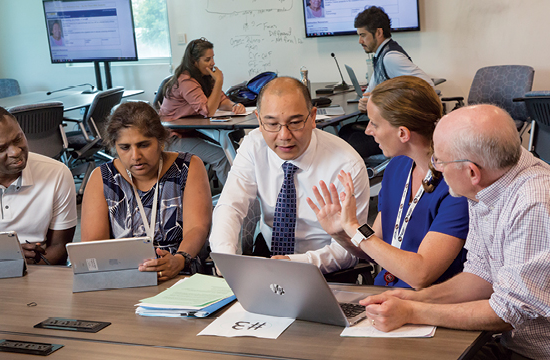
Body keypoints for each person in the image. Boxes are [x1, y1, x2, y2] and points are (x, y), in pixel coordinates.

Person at [358, 104, 550, 360]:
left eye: (438, 160)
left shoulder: (533, 201)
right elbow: (481, 276)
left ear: (471, 171)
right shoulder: (488, 179)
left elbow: (508, 312)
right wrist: (419, 298)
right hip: (512, 345)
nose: (435, 168)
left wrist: (413, 312)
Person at [308, 76, 468, 288]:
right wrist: (340, 232)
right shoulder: (396, 168)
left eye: (374, 123)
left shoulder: (456, 186)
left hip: (429, 305)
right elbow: (377, 249)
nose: (368, 131)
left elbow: (421, 275)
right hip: (386, 296)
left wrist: (355, 227)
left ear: (402, 133)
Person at [210, 77, 370, 273]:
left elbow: (351, 250)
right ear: (259, 120)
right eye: (272, 124)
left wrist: (296, 263)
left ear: (312, 117)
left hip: (323, 266)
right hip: (269, 255)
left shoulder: (346, 165)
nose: (284, 135)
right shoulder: (254, 145)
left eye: (294, 123)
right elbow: (230, 205)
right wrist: (225, 257)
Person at [81, 101, 212, 281]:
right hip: (123, 276)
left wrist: (180, 259)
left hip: (180, 273)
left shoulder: (188, 167)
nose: (135, 156)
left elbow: (197, 227)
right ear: (114, 147)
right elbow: (94, 246)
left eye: (143, 145)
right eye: (125, 148)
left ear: (160, 141)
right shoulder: (102, 178)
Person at [0, 105, 77, 265]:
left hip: (40, 268)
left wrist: (23, 266)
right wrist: (8, 257)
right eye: (1, 148)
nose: (16, 152)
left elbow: (60, 249)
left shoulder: (57, 173)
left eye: (18, 139)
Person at [339, 6, 433, 158]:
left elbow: (429, 87)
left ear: (378, 32)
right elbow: (371, 91)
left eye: (363, 35)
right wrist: (366, 101)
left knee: (347, 141)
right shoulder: (381, 56)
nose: (360, 41)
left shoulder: (391, 58)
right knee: (345, 131)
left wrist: (385, 100)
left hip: (398, 129)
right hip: (388, 124)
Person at [159, 38, 245, 186]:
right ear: (194, 61)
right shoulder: (186, 81)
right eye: (207, 59)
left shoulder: (204, 77)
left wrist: (234, 106)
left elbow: (221, 100)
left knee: (235, 147)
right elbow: (208, 111)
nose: (212, 63)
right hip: (172, 138)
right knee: (222, 157)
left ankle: (242, 198)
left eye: (212, 58)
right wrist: (219, 81)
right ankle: (232, 204)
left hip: (190, 132)